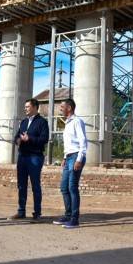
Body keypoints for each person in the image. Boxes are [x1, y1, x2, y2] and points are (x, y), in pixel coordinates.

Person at [9, 98, 49, 221]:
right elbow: (16, 136)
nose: (25, 108)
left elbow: (44, 139)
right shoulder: (24, 122)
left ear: (35, 107)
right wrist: (18, 140)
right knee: (21, 185)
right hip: (22, 156)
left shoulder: (42, 122)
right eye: (25, 106)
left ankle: (37, 213)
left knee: (35, 185)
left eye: (27, 106)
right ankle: (21, 211)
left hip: (35, 156)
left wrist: (29, 139)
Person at [53, 98, 87, 229]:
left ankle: (74, 219)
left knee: (72, 187)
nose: (60, 109)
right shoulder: (67, 122)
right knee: (64, 187)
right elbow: (69, 143)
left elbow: (83, 141)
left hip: (76, 156)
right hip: (69, 157)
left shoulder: (77, 121)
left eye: (62, 106)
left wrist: (79, 158)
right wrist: (65, 157)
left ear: (70, 108)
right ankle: (67, 216)